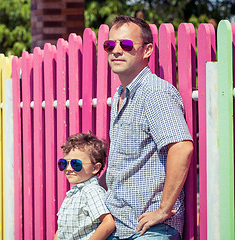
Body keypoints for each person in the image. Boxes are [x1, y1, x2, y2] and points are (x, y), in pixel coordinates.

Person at [102, 15, 194, 239]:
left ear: (147, 50)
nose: (116, 50)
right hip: (121, 226)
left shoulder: (154, 93)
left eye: (125, 45)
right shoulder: (120, 95)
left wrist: (163, 210)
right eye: (110, 45)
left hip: (151, 230)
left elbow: (182, 148)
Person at [54, 132, 116, 240]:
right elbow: (62, 229)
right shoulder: (74, 193)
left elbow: (108, 223)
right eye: (64, 163)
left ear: (95, 168)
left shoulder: (91, 191)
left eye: (76, 164)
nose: (68, 169)